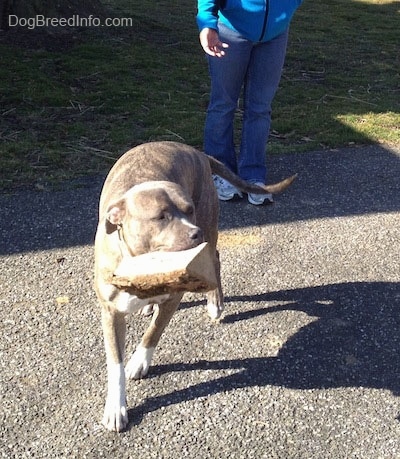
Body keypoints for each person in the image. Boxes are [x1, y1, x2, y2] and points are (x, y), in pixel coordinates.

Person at [197, 0, 303, 205]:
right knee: (223, 105)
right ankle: (219, 173)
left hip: (275, 34)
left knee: (260, 109)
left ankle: (253, 176)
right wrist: (207, 23)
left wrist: (286, 10)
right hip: (230, 29)